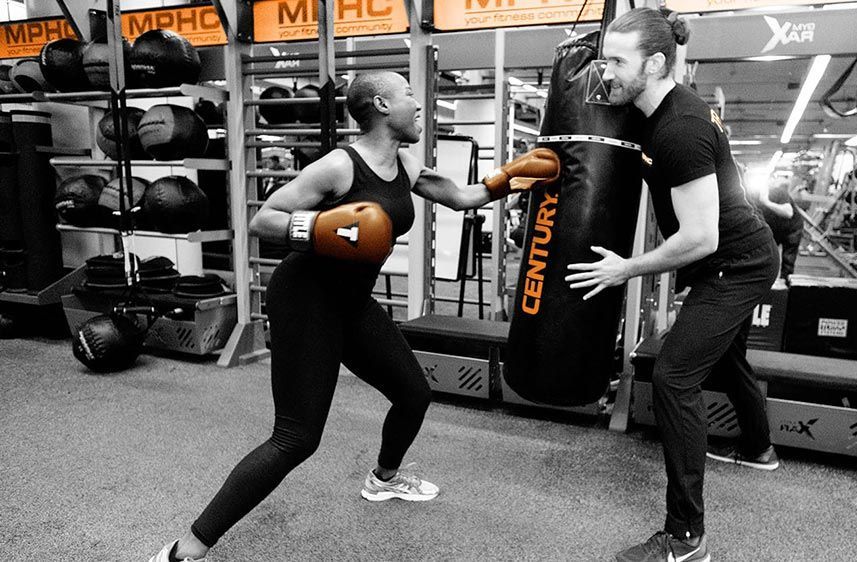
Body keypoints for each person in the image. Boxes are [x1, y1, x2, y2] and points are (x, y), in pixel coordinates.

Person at [149, 71, 560, 562]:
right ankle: (186, 548)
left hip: (352, 300)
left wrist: (511, 177)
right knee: (296, 438)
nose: (421, 105)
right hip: (306, 299)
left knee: (413, 394)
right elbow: (264, 221)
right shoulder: (339, 166)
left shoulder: (405, 165)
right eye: (411, 95)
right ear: (383, 104)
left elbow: (461, 196)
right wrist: (326, 228)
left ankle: (383, 478)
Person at [564, 9, 779, 562]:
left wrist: (626, 267)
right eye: (603, 58)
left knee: (675, 376)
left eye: (616, 60)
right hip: (737, 256)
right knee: (728, 362)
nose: (604, 71)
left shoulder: (680, 129)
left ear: (655, 63)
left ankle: (686, 538)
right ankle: (758, 450)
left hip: (735, 264)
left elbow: (701, 237)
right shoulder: (658, 110)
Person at [753, 176, 804, 281]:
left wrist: (766, 202)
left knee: (788, 261)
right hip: (775, 230)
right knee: (767, 257)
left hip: (791, 228)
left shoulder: (778, 192)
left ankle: (785, 289)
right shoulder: (751, 197)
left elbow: (788, 213)